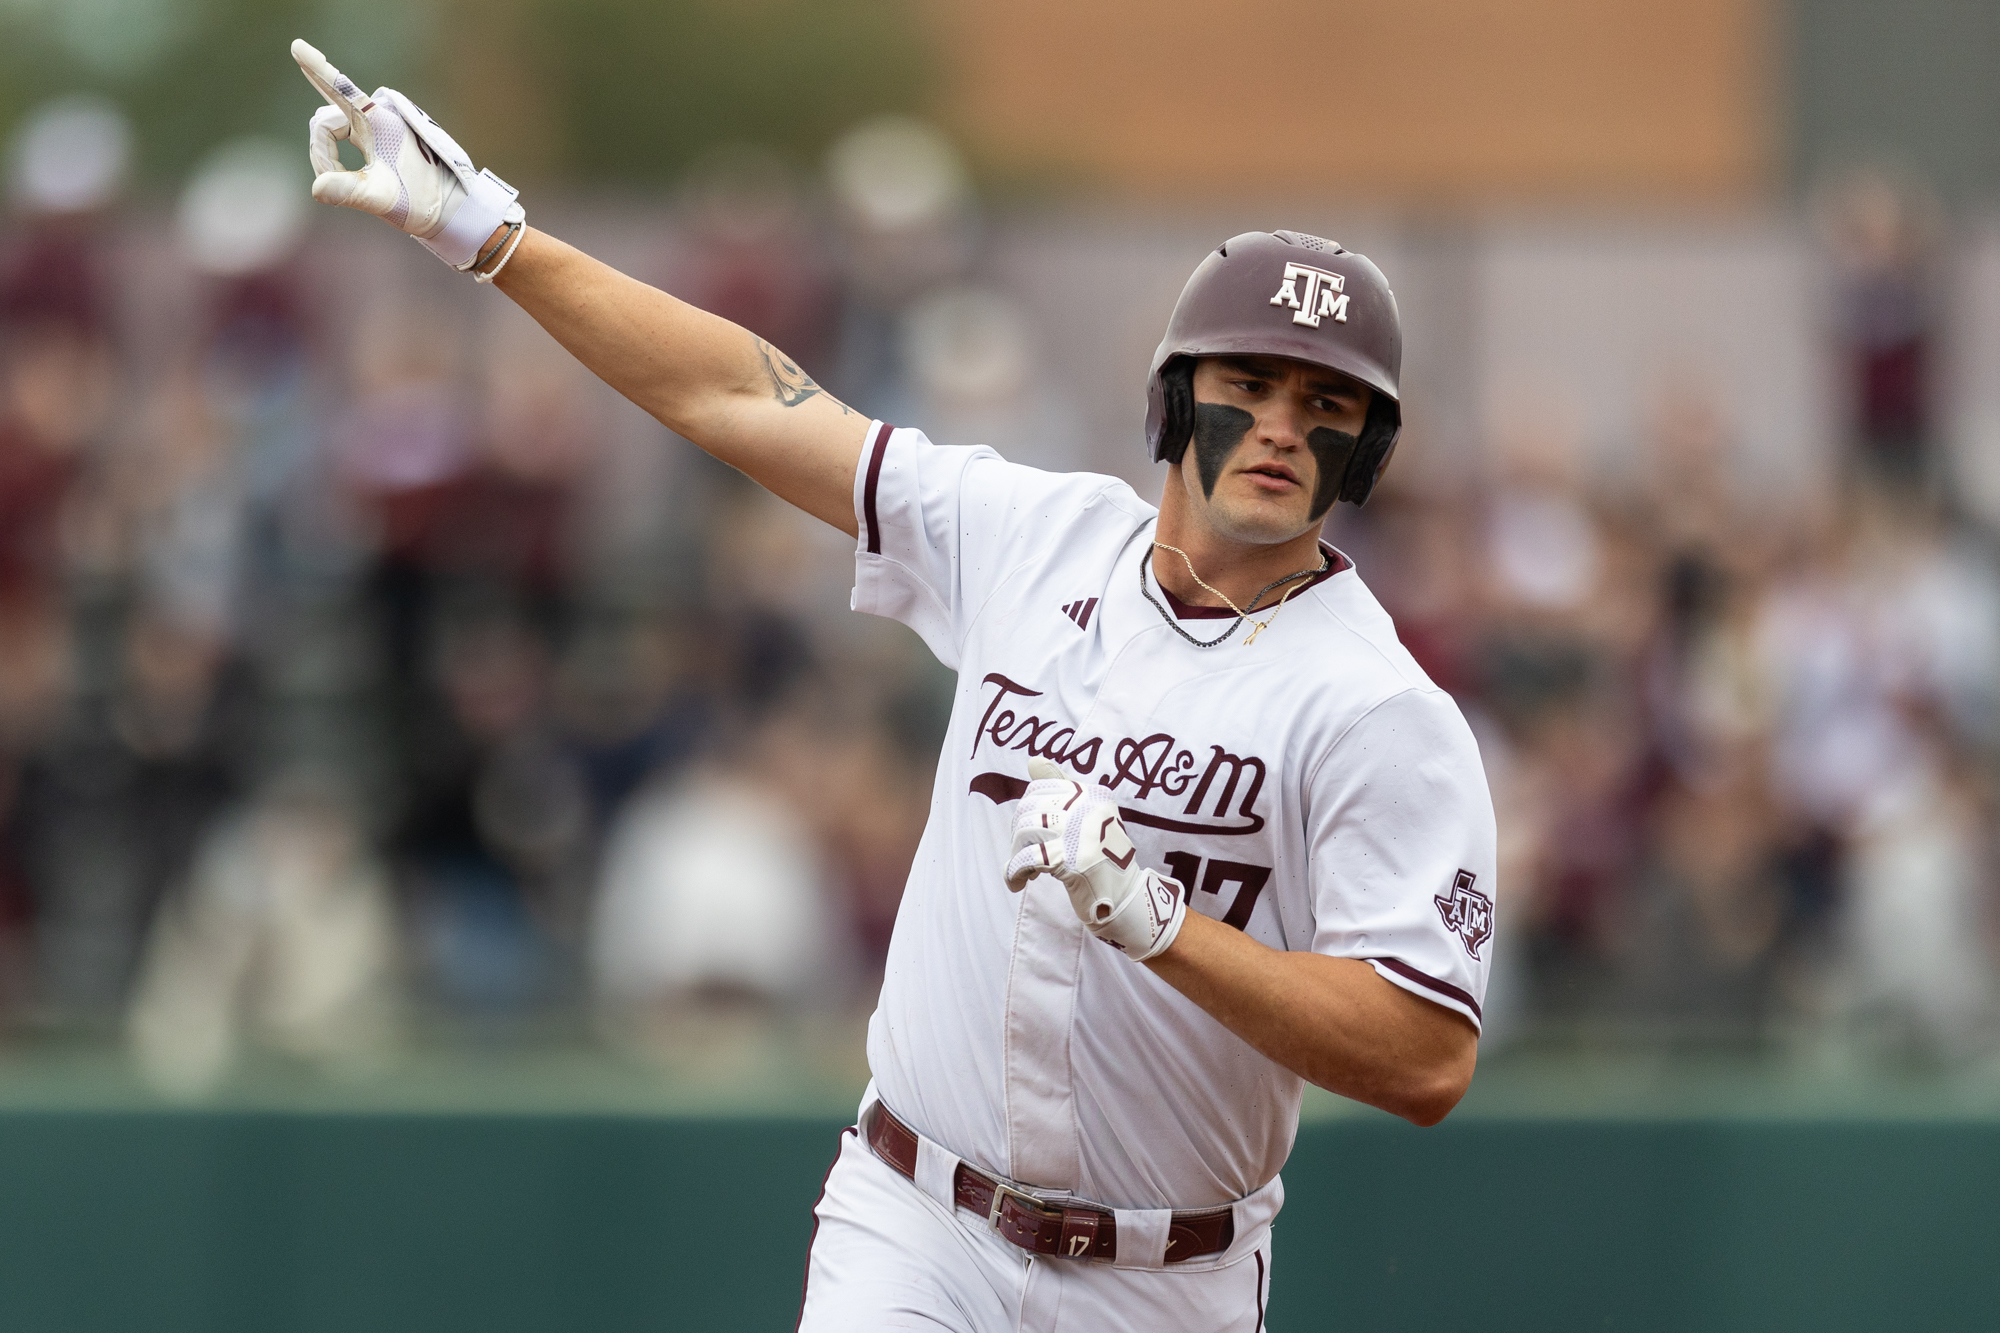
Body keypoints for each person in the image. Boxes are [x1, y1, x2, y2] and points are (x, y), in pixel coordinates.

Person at [290, 40, 1495, 1331]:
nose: (1278, 424)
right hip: (917, 1221)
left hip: (1168, 1277)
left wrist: (1161, 926)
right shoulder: (1029, 534)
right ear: (1172, 399)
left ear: (1363, 447)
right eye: (1246, 382)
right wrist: (498, 242)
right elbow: (747, 398)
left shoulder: (1377, 705)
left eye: (1324, 402)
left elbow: (1425, 1052)